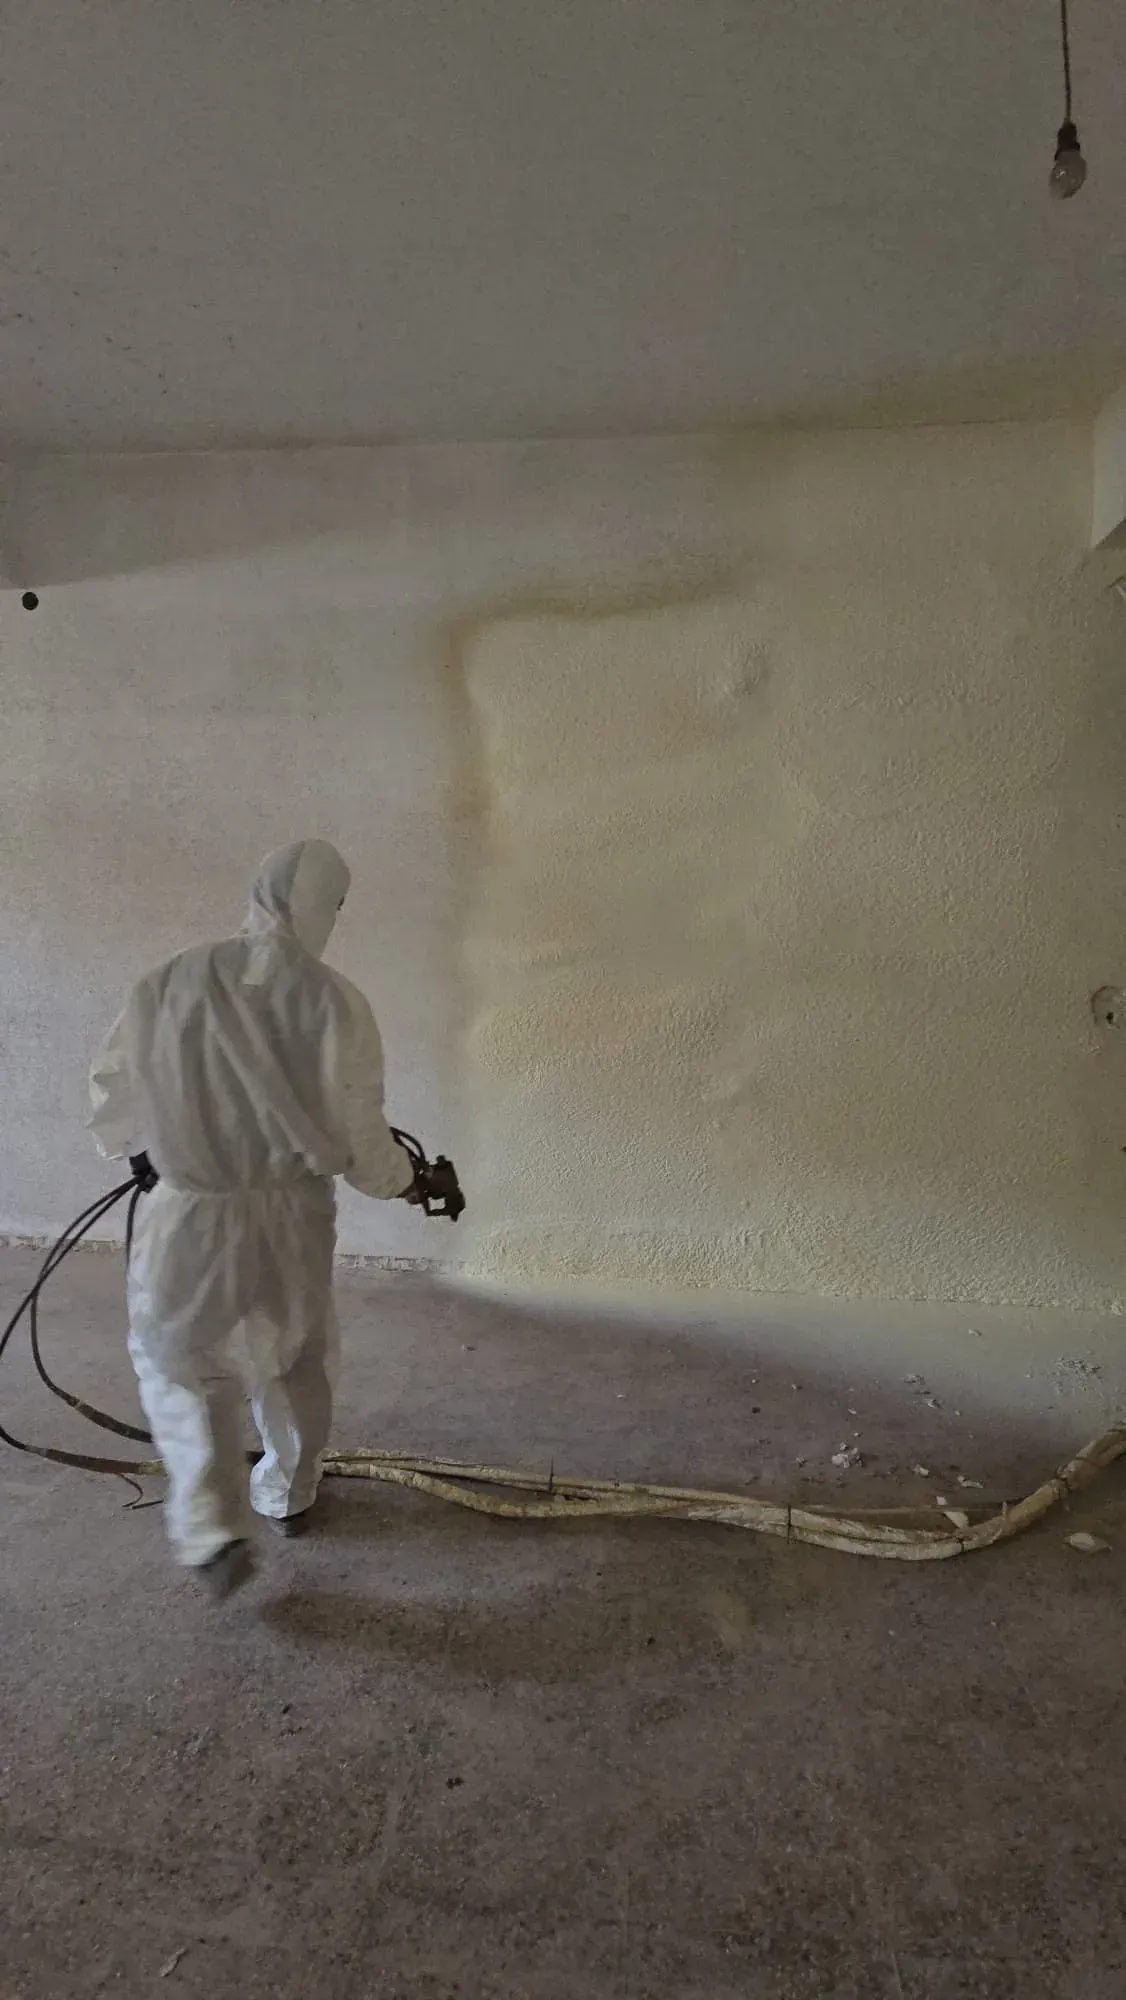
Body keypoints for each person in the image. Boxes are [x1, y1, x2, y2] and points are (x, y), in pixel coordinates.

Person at [87, 839, 418, 1598]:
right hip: (293, 1214)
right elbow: (365, 1141)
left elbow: (111, 1084)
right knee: (293, 1358)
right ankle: (288, 1495)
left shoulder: (170, 978)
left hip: (188, 1208)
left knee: (177, 1358)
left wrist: (135, 1147)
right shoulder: (337, 1000)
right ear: (320, 908)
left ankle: (209, 1528)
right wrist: (402, 1181)